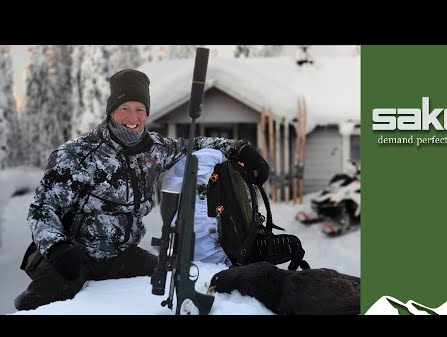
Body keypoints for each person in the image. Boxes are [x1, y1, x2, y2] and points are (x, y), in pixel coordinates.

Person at [14, 69, 269, 311]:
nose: (133, 119)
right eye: (124, 109)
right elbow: (42, 209)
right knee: (39, 307)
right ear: (111, 111)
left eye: (139, 110)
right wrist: (58, 248)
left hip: (122, 254)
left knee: (165, 286)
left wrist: (240, 149)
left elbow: (196, 143)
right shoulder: (77, 154)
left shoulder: (155, 149)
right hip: (74, 253)